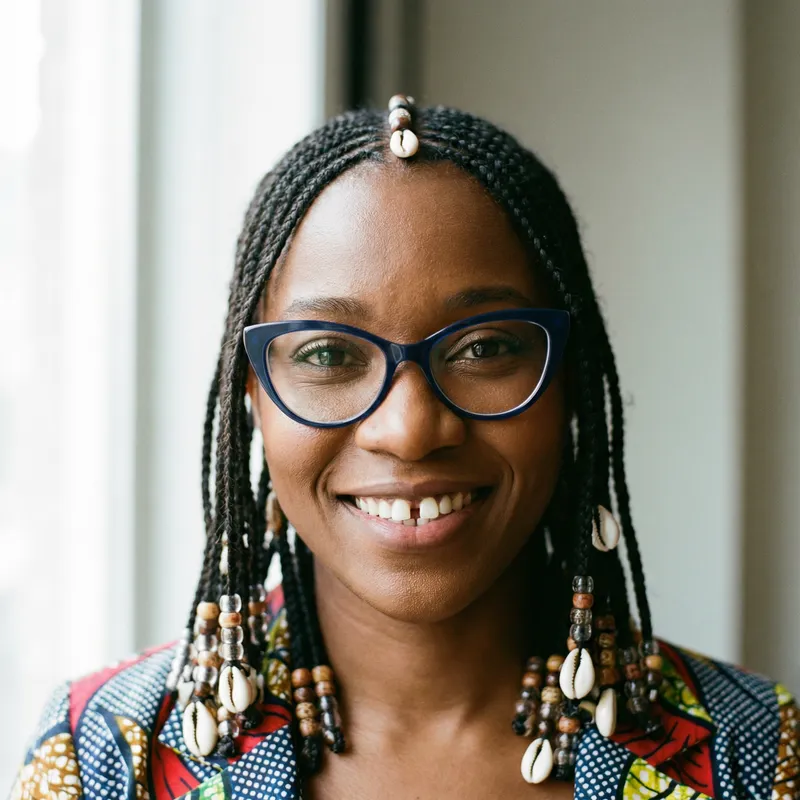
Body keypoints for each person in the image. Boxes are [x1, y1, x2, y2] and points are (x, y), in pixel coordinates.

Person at [11, 96, 799, 800]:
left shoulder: (753, 758)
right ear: (251, 395)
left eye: (486, 347)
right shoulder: (112, 760)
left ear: (571, 382)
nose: (410, 428)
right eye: (327, 355)